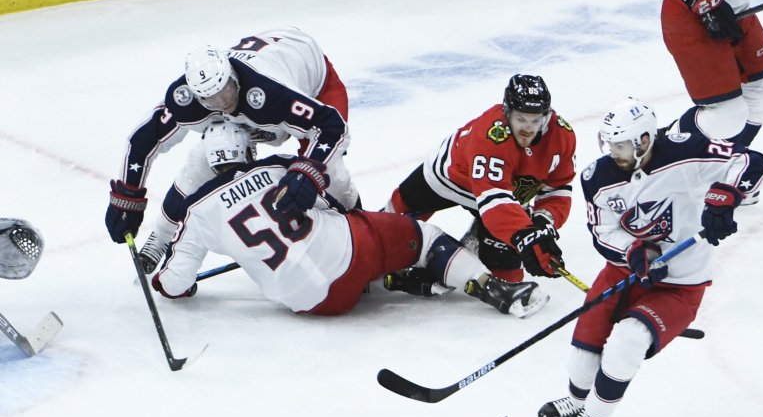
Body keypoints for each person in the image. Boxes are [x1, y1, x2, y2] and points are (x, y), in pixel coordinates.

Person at [536, 97, 763, 417]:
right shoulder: (597, 178)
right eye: (609, 143)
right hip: (623, 273)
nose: (613, 152)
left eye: (622, 145)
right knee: (584, 350)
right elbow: (603, 232)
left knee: (627, 341)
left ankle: (594, 413)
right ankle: (576, 399)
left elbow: (753, 162)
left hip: (681, 283)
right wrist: (633, 251)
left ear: (645, 140)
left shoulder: (686, 151)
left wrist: (726, 195)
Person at [150, 121, 549, 319]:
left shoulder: (198, 212)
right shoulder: (279, 165)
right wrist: (356, 213)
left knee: (351, 266)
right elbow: (336, 192)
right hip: (354, 251)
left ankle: (389, 280)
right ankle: (492, 288)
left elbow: (173, 284)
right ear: (246, 151)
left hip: (317, 305)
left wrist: (174, 287)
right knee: (424, 238)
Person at [104, 26, 361, 272]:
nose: (223, 103)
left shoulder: (271, 91)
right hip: (260, 102)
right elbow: (142, 141)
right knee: (209, 151)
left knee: (329, 172)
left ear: (231, 75)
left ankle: (360, 231)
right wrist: (128, 198)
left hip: (313, 81)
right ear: (197, 95)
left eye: (225, 90)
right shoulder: (186, 98)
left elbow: (331, 127)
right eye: (212, 99)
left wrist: (308, 173)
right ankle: (161, 236)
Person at [382, 74, 576, 288]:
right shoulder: (491, 136)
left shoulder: (562, 136)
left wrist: (542, 223)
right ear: (507, 112)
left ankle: (474, 242)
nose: (528, 128)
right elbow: (494, 200)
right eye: (521, 119)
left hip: (503, 196)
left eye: (535, 120)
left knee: (507, 277)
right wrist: (523, 234)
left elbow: (558, 189)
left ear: (546, 117)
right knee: (387, 229)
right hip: (449, 178)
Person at [661, 0, 763, 147]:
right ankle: (664, 149)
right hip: (692, 18)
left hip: (738, 12)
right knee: (727, 115)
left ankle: (727, 160)